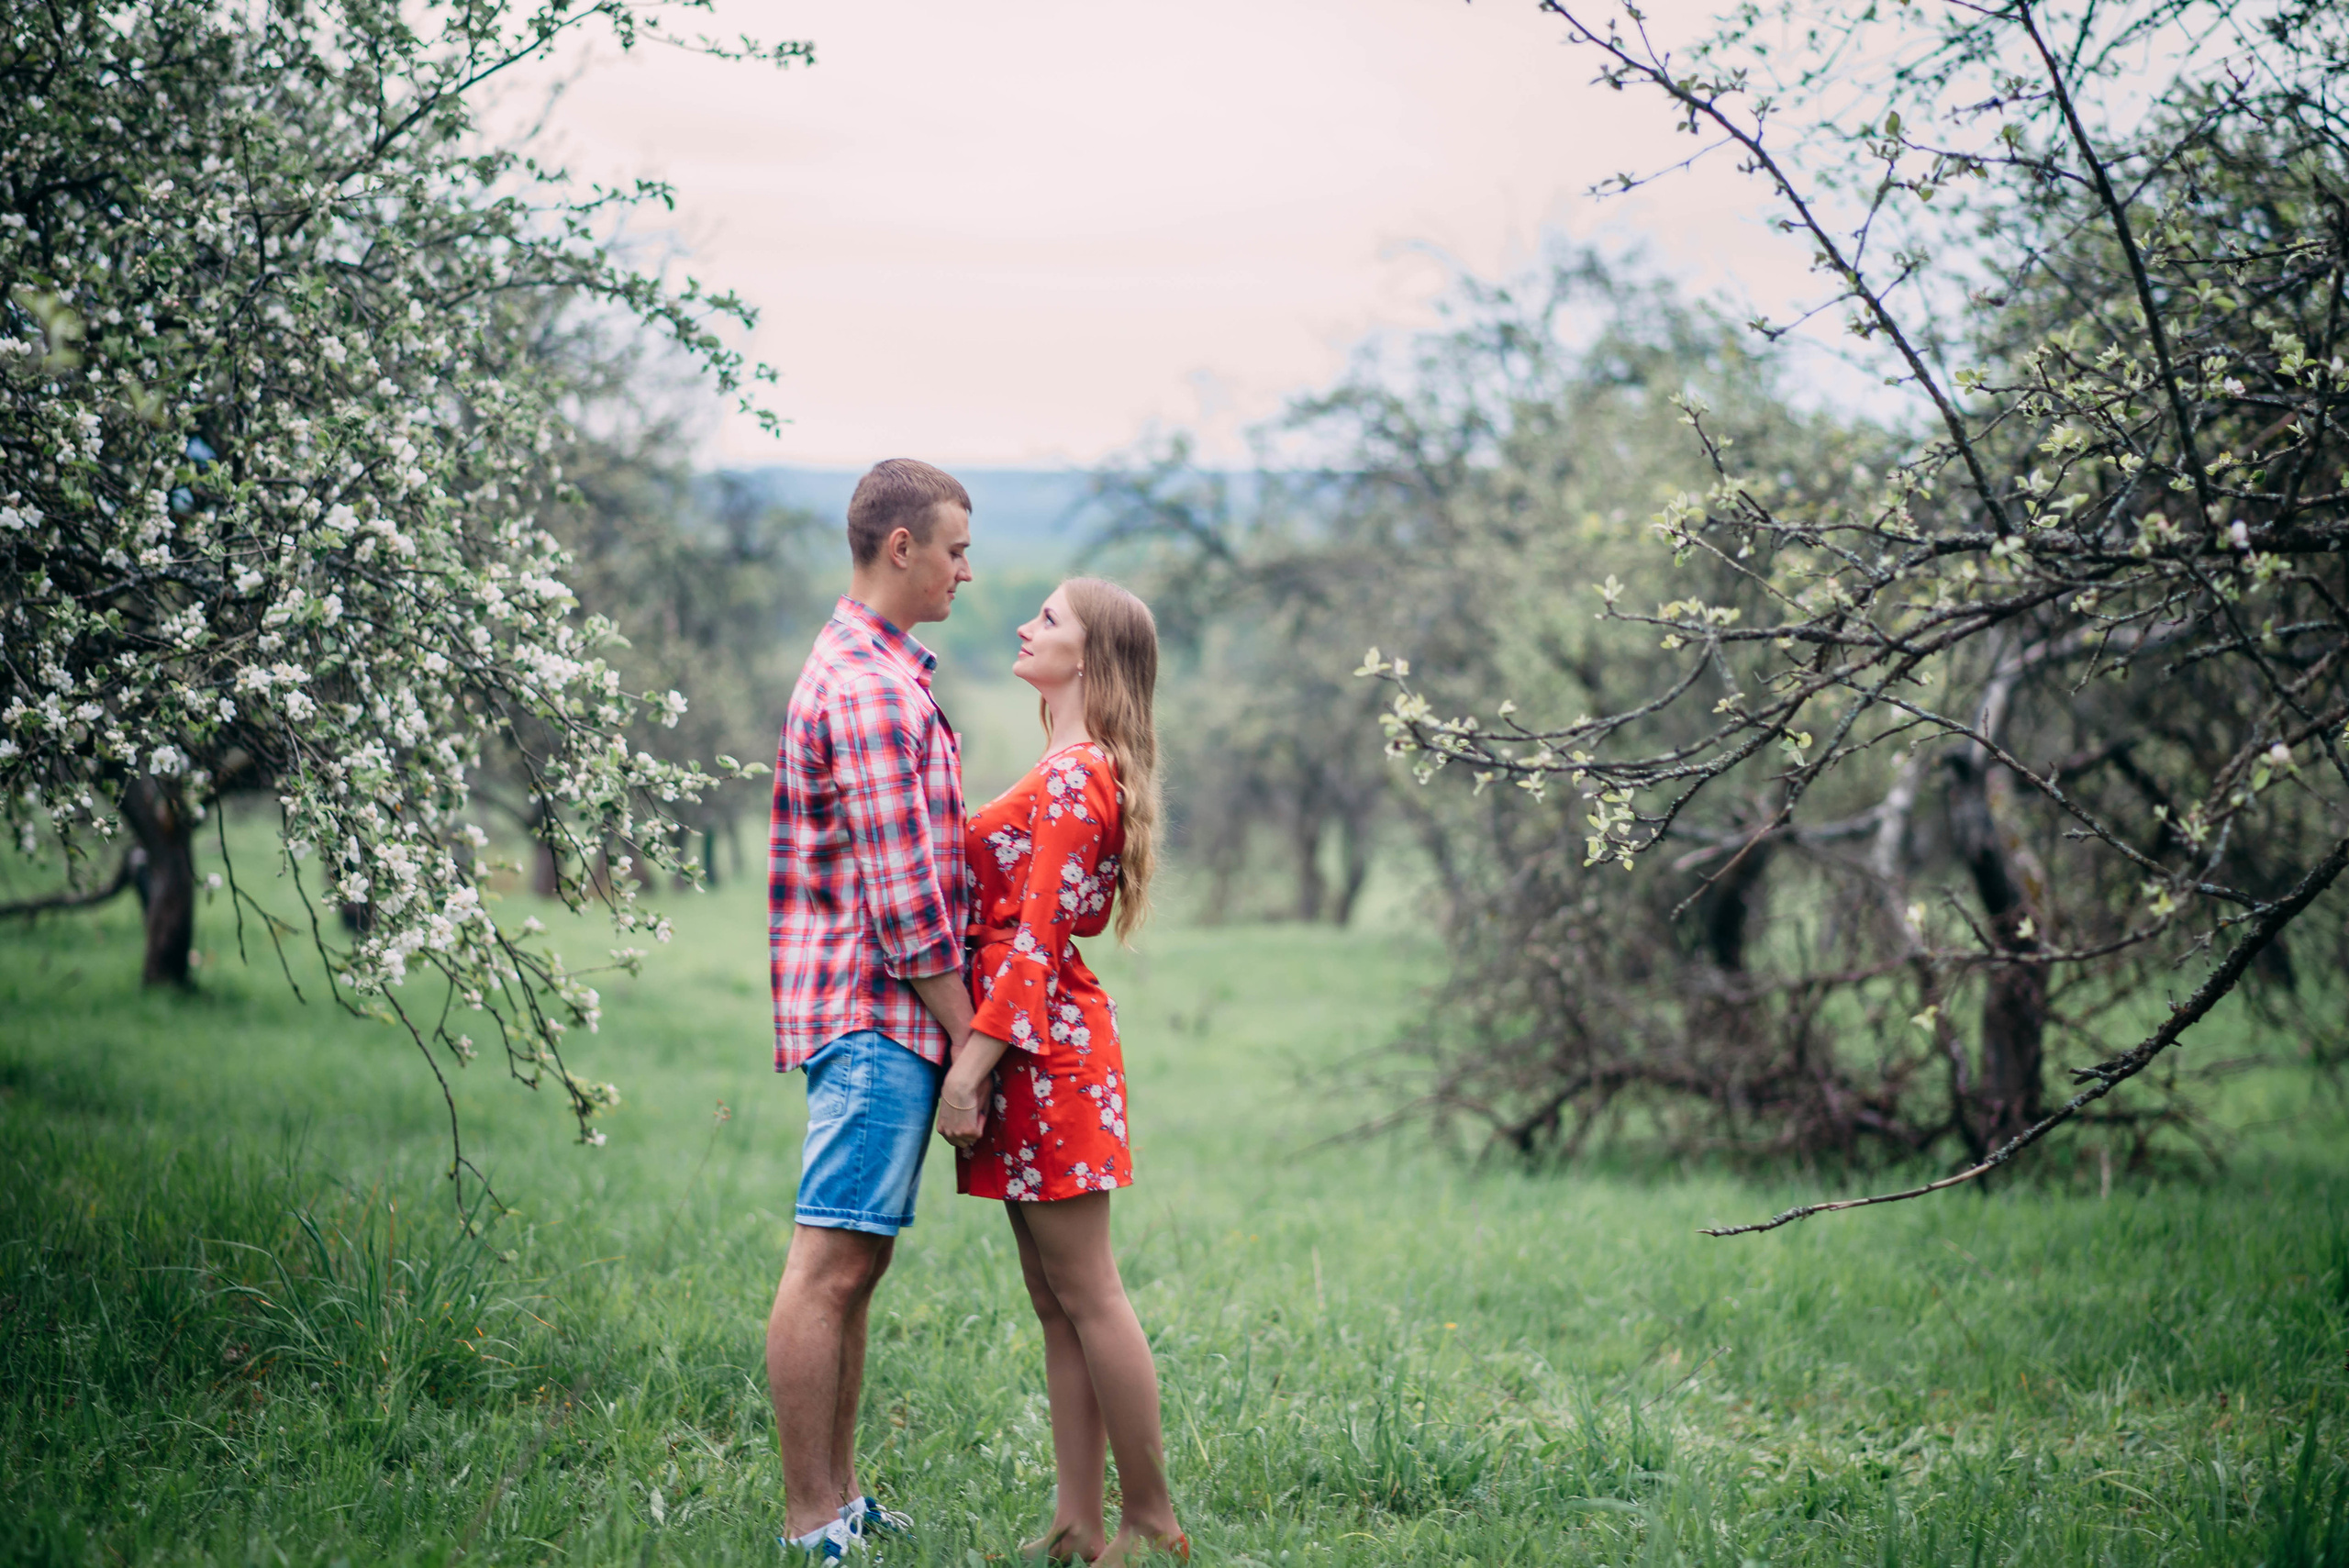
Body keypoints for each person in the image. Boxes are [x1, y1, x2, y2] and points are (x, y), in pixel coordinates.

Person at [937, 578, 1189, 1566]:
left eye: (1047, 619)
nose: (1023, 626)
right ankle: (1077, 1520)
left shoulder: (1080, 771)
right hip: (1032, 1048)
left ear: (1088, 655)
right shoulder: (1066, 763)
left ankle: (1152, 1515)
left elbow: (1036, 943)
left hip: (1045, 1053)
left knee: (1088, 1290)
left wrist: (970, 1068)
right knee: (1055, 1298)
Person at [766, 458, 975, 1560]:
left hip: (881, 1014)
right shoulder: (867, 687)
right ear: (901, 546)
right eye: (953, 548)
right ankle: (811, 1521)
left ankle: (841, 1500)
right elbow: (903, 908)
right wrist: (972, 1038)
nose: (966, 570)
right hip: (873, 1013)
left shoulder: (882, 670)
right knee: (829, 1264)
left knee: (859, 1262)